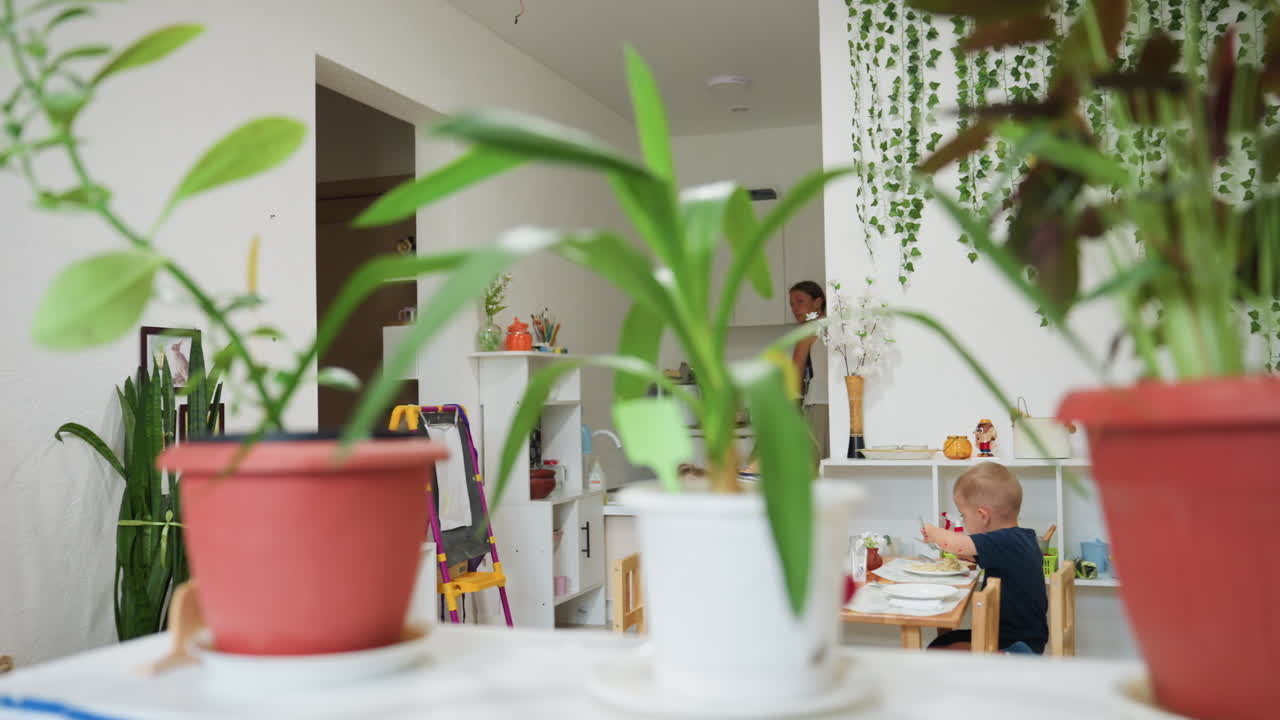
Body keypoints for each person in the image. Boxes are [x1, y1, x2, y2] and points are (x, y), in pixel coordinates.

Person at [922, 462, 1048, 654]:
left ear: (983, 516)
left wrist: (932, 531)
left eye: (963, 515)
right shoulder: (1020, 538)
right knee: (943, 642)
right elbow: (969, 553)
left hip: (1016, 647)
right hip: (1016, 637)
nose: (963, 521)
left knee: (939, 651)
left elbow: (953, 542)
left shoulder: (1005, 541)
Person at [789, 281, 829, 465]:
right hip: (840, 405)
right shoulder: (835, 325)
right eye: (792, 304)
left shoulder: (808, 330)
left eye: (800, 301)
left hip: (818, 403)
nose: (795, 308)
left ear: (817, 302)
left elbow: (794, 375)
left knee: (812, 463)